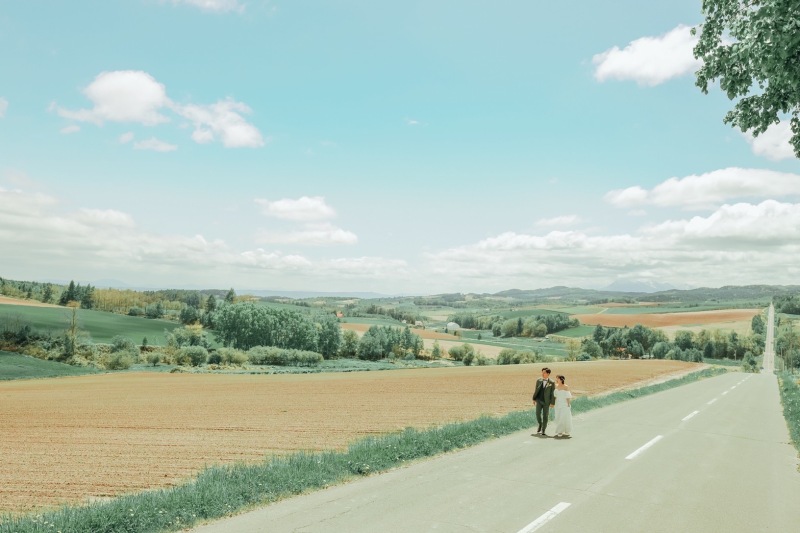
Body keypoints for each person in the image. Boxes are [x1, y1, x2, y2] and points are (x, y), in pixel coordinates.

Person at [532, 367, 555, 437]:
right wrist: (534, 399)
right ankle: (540, 423)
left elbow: (552, 393)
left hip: (546, 402)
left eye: (544, 372)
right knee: (537, 413)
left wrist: (552, 403)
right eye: (542, 372)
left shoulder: (552, 382)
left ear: (548, 374)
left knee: (545, 416)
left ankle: (543, 429)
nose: (542, 374)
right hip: (539, 400)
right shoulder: (538, 380)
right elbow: (536, 390)